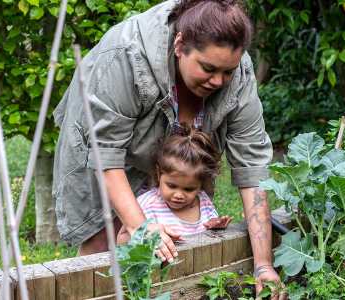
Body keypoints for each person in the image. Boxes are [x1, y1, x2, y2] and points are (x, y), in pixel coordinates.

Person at [52, 0, 283, 296]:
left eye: (227, 72)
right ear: (179, 45)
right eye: (208, 68)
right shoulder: (125, 54)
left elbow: (252, 169)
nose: (218, 81)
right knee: (104, 239)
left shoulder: (237, 73)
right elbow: (105, 154)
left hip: (178, 153)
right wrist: (139, 226)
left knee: (181, 233)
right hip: (104, 144)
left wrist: (263, 264)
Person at [116, 125, 233, 245]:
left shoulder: (203, 202)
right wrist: (147, 237)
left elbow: (207, 232)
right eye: (171, 186)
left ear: (200, 185)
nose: (178, 195)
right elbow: (121, 240)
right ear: (159, 173)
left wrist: (214, 226)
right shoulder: (147, 204)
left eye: (189, 189)